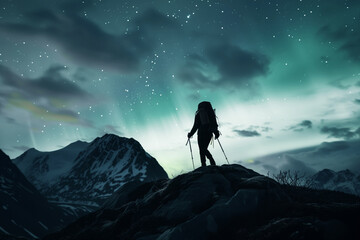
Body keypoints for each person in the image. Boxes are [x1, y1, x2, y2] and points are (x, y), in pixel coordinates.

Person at [187, 101, 220, 167]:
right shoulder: (210, 113)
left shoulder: (198, 114)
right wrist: (216, 133)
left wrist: (190, 134)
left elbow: (195, 126)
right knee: (204, 148)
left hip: (201, 133)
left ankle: (204, 164)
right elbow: (214, 123)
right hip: (209, 133)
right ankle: (211, 160)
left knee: (201, 149)